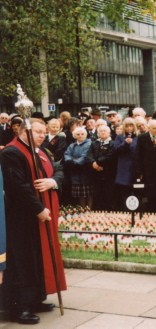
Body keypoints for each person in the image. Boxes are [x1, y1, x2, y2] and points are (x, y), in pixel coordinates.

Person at [0, 119, 66, 325]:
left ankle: (36, 298)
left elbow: (59, 170)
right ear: (22, 132)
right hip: (22, 217)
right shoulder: (11, 153)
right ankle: (18, 307)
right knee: (22, 261)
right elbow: (17, 186)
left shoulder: (42, 151)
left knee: (38, 258)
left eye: (44, 132)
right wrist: (38, 209)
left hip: (41, 216)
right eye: (37, 132)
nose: (42, 135)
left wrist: (52, 181)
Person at [134, 119, 156, 213]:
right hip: (147, 170)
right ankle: (149, 211)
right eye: (154, 128)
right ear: (149, 128)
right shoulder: (142, 138)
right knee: (149, 192)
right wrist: (139, 171)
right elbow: (138, 155)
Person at [87, 125, 116, 211]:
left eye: (105, 131)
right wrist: (93, 163)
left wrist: (98, 163)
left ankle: (109, 211)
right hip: (95, 173)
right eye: (101, 131)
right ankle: (98, 211)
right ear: (98, 133)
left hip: (108, 172)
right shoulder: (94, 143)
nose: (103, 132)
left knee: (108, 193)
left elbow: (110, 156)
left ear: (109, 133)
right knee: (97, 193)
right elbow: (89, 155)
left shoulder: (113, 143)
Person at [64, 127, 92, 207]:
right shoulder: (72, 145)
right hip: (75, 171)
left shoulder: (89, 144)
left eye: (82, 134)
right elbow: (67, 154)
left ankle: (89, 210)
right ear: (75, 135)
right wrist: (69, 161)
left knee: (88, 193)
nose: (80, 136)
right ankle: (82, 210)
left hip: (85, 171)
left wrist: (74, 162)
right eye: (78, 134)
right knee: (80, 193)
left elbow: (85, 156)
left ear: (86, 135)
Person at [114, 118, 138, 211]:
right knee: (124, 190)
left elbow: (138, 151)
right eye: (127, 126)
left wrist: (131, 144)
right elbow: (116, 150)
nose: (129, 128)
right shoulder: (119, 137)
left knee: (135, 189)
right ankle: (124, 210)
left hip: (134, 166)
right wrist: (125, 143)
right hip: (123, 167)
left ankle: (135, 210)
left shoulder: (138, 137)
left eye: (131, 125)